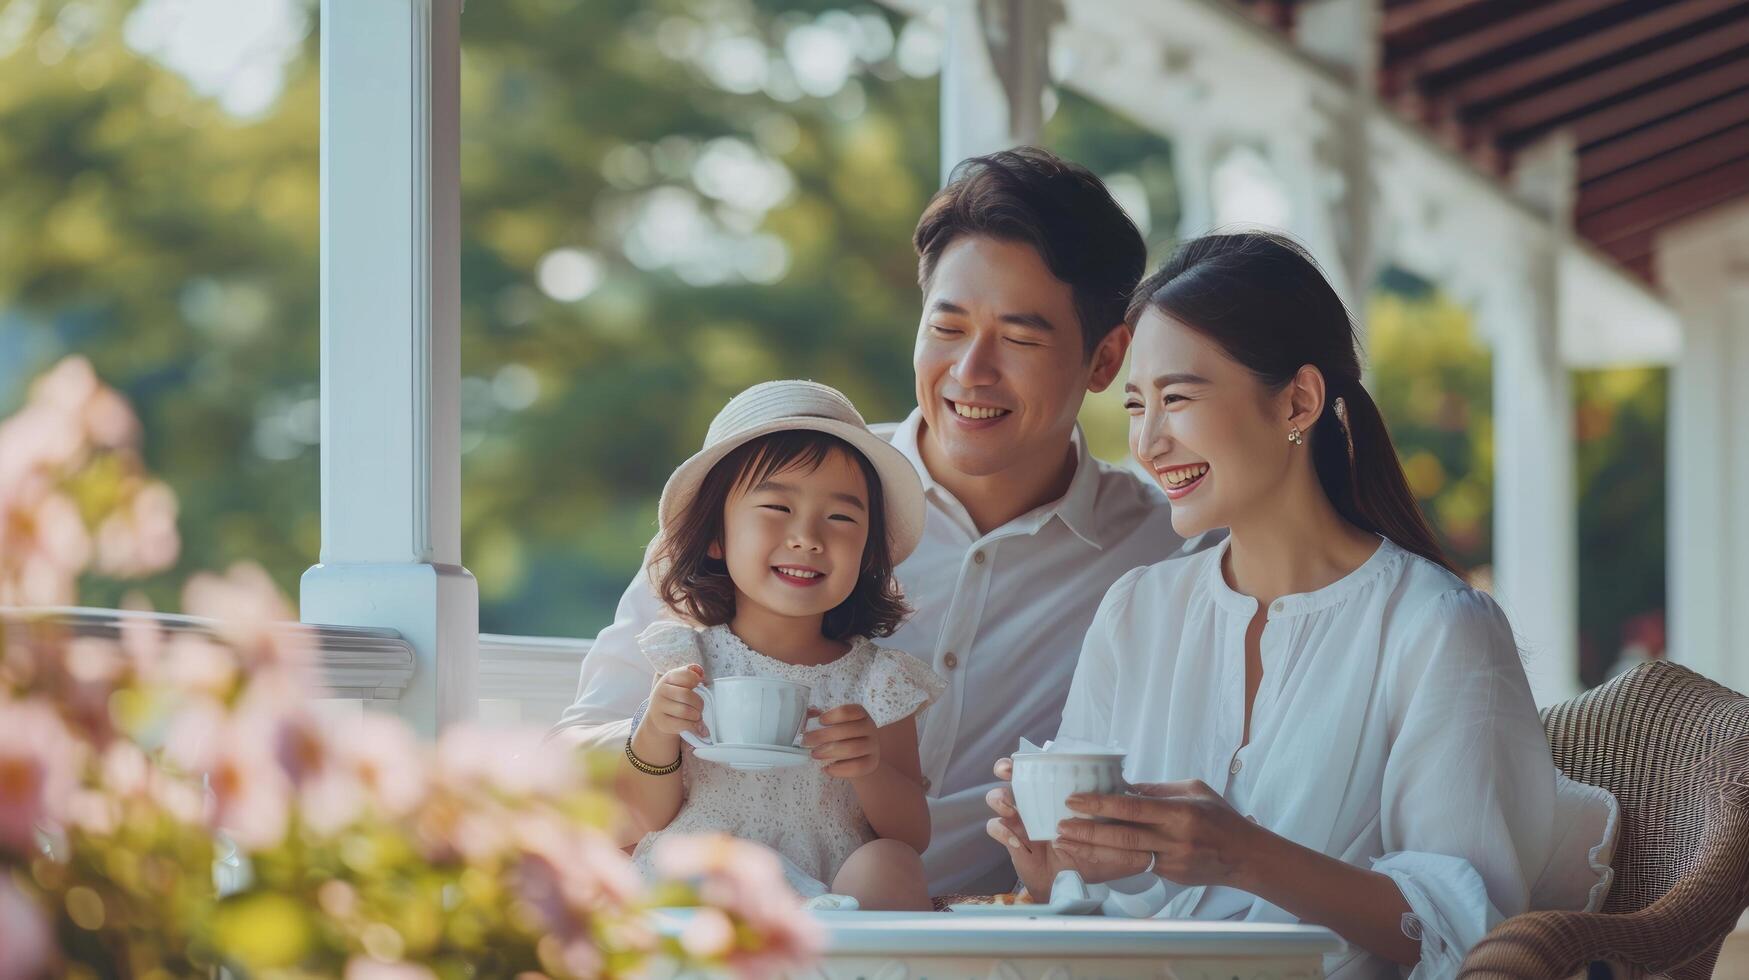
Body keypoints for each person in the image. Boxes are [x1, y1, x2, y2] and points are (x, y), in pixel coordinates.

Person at [554, 147, 1198, 896]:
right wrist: (667, 734)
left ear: (1104, 358)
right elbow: (579, 750)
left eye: (1019, 339)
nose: (970, 373)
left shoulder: (1165, 552)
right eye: (947, 327)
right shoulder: (755, 502)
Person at [985, 232, 1616, 977]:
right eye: (1135, 404)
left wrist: (1245, 855)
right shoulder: (1136, 611)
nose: (1148, 441)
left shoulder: (1437, 629)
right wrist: (1051, 863)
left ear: (1298, 399)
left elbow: (1469, 938)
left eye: (1177, 398)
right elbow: (1085, 898)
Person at [621, 380, 945, 910]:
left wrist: (870, 769)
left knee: (891, 862)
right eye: (776, 508)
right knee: (698, 865)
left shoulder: (877, 682)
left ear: (867, 552)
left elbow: (913, 833)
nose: (808, 537)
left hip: (836, 894)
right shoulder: (690, 661)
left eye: (840, 517)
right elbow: (642, 816)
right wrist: (657, 730)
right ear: (716, 537)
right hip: (715, 882)